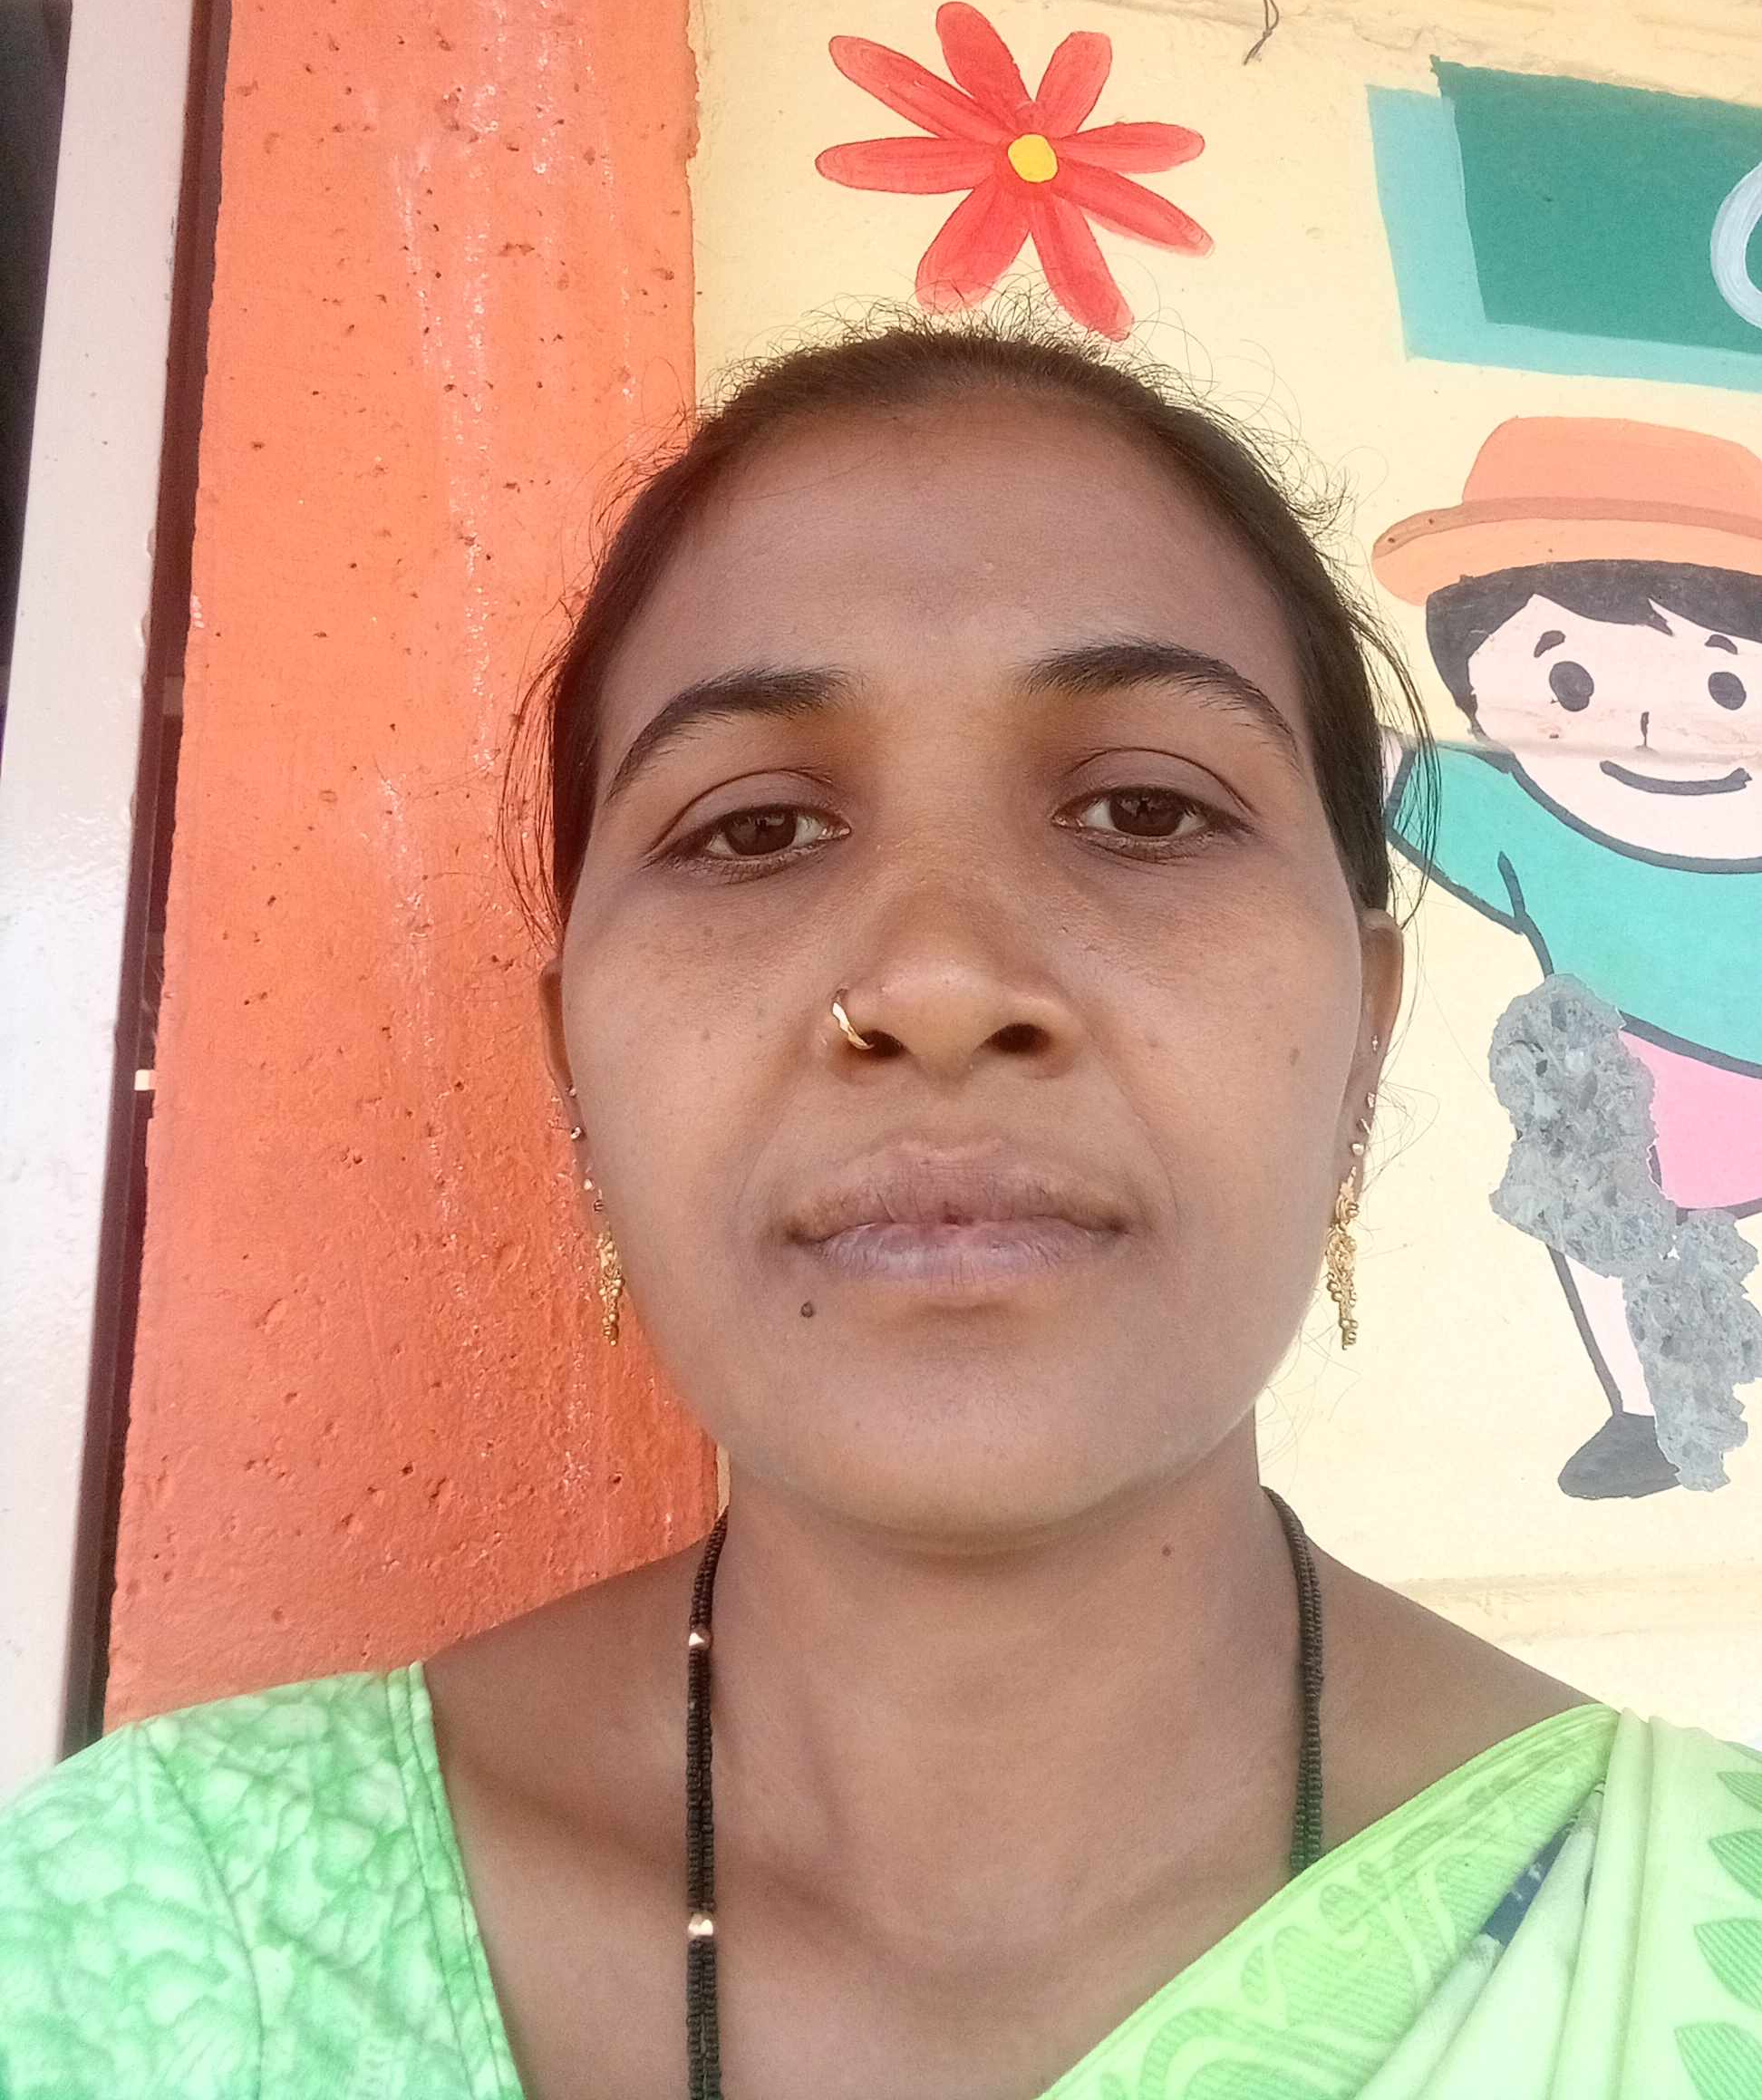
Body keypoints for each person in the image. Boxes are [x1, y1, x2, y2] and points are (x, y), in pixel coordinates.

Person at [2, 319, 1758, 2099]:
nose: (937, 981)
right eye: (752, 831)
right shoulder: (144, 1951)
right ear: (576, 1079)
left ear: (1362, 1041)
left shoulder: (1720, 1943)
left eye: (1144, 808)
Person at [1376, 416, 1762, 1503]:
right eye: (1576, 685)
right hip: (1636, 1109)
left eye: (1725, 688)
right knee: (1592, 1229)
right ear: (1480, 696)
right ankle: (1645, 1412)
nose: (1646, 724)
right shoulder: (1517, 817)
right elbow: (1367, 765)